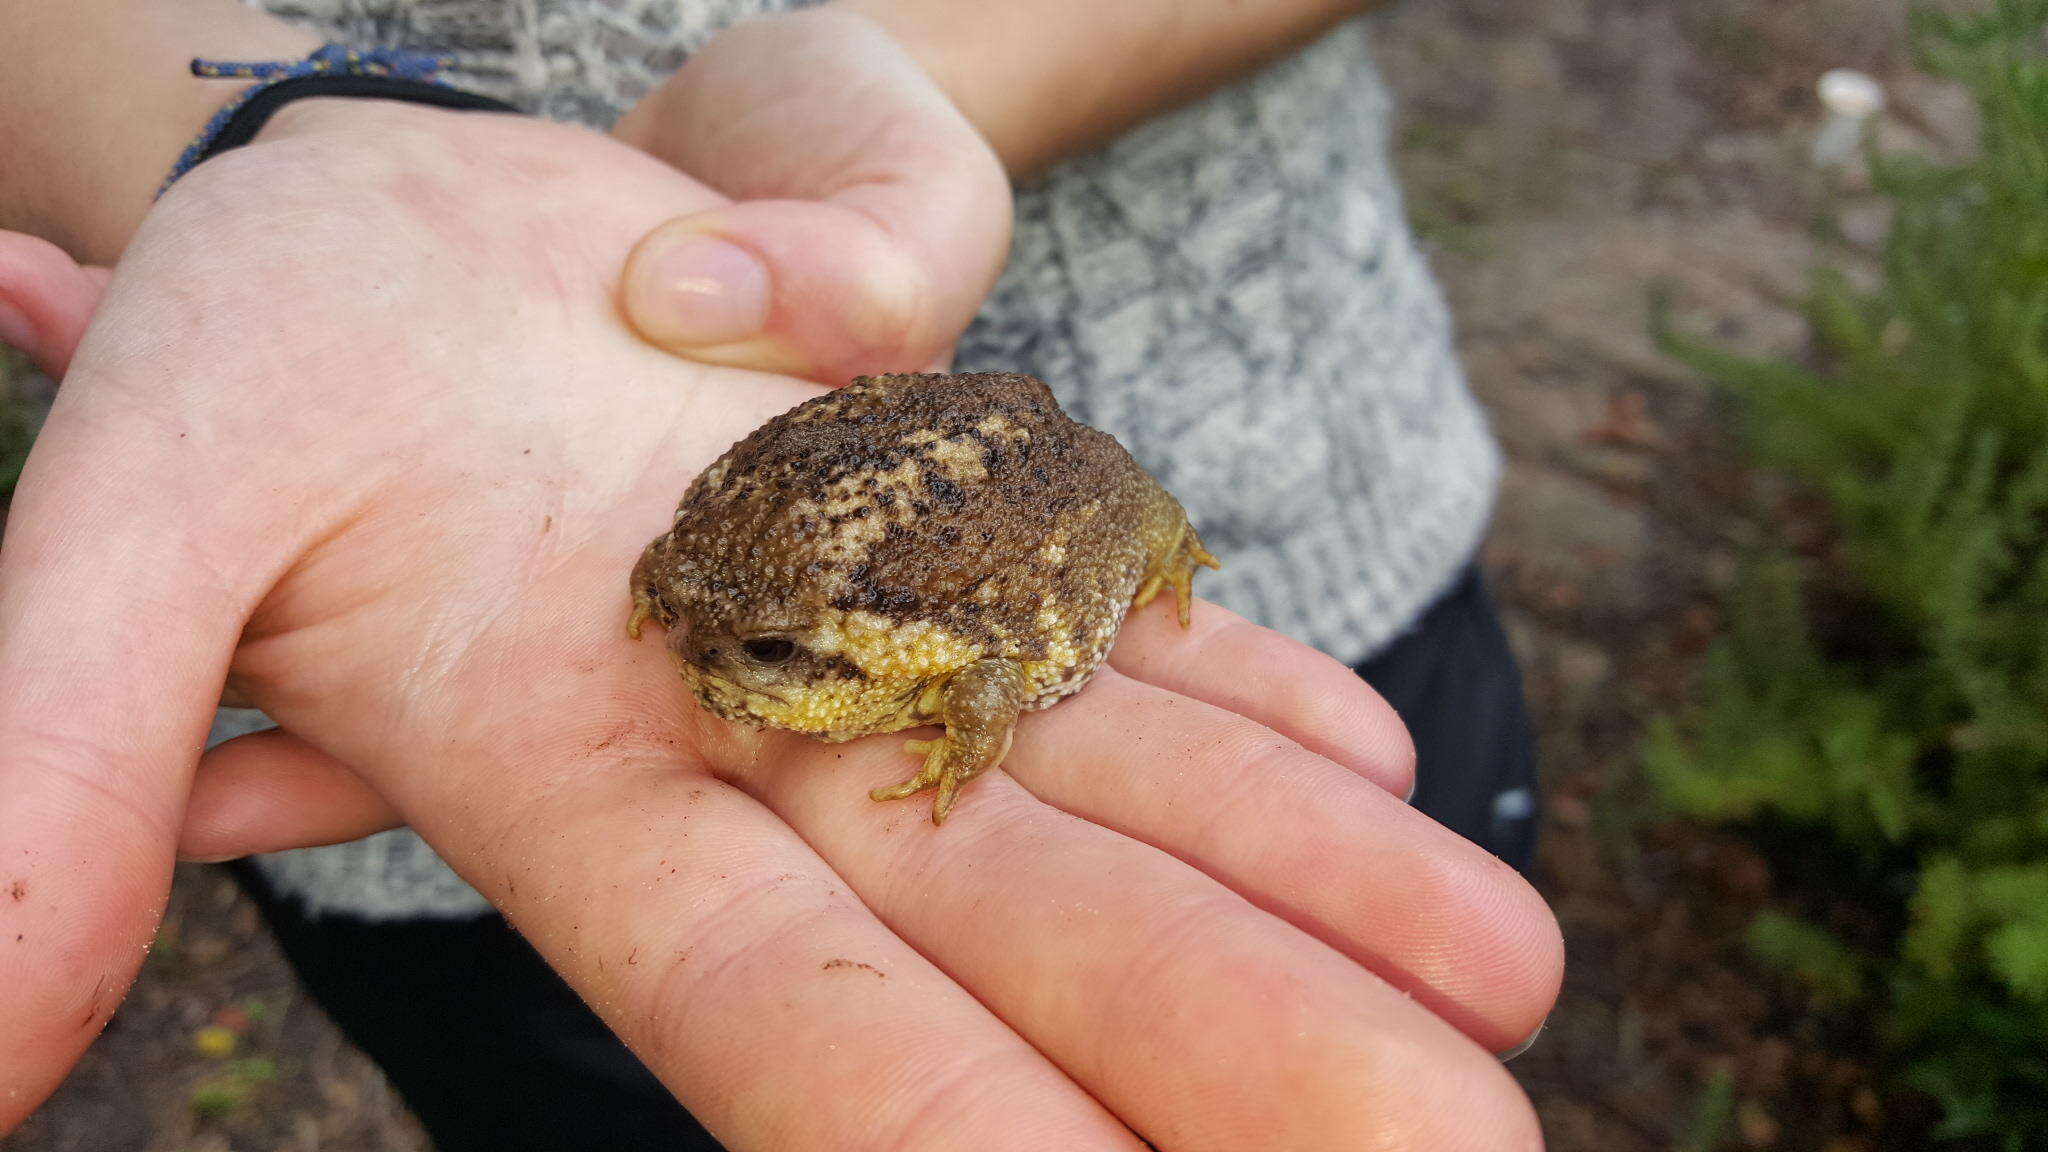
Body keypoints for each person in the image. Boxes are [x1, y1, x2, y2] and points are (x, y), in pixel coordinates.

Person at [0, 1, 1557, 1149]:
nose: (718, 678)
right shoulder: (717, 584)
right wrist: (249, 133)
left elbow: (992, 665)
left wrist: (924, 70)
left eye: (762, 664)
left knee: (1322, 1024)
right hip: (458, 757)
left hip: (1280, 499)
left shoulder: (915, 643)